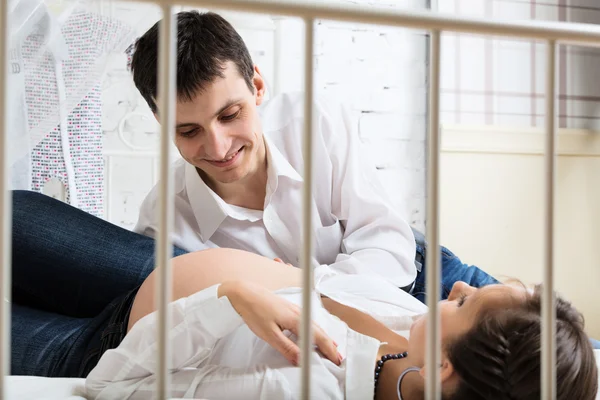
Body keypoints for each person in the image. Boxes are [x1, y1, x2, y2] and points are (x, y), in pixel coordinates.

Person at [129, 10, 498, 296]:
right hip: (341, 340)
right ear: (161, 121)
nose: (219, 147)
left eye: (230, 115)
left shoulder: (313, 122)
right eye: (188, 131)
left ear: (257, 87)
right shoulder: (163, 223)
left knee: (545, 344)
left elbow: (384, 243)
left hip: (419, 277)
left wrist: (294, 286)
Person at [84, 246, 599, 400]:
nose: (459, 287)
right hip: (149, 267)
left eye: (465, 305)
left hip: (98, 346)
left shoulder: (297, 387)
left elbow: (110, 388)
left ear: (446, 365)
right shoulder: (416, 335)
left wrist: (233, 296)